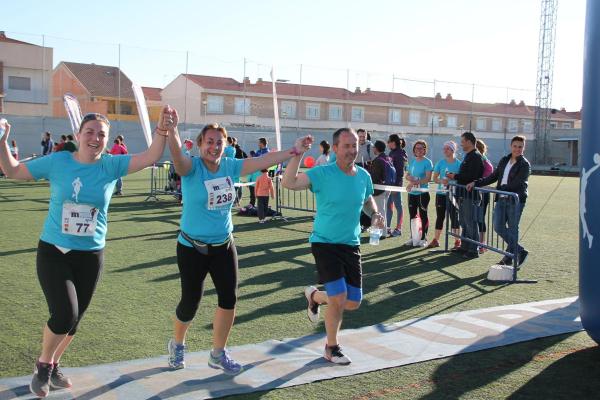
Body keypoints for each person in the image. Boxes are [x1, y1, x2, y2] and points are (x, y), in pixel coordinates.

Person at [0, 107, 173, 398]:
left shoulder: (110, 166)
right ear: (79, 134)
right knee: (64, 313)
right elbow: (14, 171)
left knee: (75, 320)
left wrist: (163, 130)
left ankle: (53, 365)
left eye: (101, 134)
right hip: (54, 251)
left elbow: (151, 156)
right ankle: (43, 365)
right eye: (89, 132)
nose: (95, 138)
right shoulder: (58, 161)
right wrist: (2, 142)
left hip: (91, 254)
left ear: (106, 140)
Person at [165, 122, 312, 374]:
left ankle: (217, 353)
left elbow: (264, 160)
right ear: (200, 144)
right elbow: (178, 159)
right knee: (190, 302)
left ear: (226, 145)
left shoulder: (230, 166)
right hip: (192, 247)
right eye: (209, 142)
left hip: (223, 245)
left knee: (229, 299)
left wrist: (294, 151)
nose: (214, 146)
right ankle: (177, 344)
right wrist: (172, 132)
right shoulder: (192, 167)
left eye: (218, 142)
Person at [282, 128, 384, 365]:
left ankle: (315, 297)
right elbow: (289, 182)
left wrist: (376, 213)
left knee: (352, 302)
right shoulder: (322, 173)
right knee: (338, 298)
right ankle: (332, 347)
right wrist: (297, 154)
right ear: (335, 148)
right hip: (324, 242)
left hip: (351, 243)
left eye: (354, 146)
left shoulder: (363, 176)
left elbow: (367, 200)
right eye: (346, 146)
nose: (351, 150)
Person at [467, 135, 531, 266]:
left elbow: (518, 183)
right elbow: (493, 176)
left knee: (513, 229)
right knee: (498, 226)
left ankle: (508, 257)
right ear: (511, 146)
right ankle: (520, 251)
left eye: (520, 147)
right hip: (501, 199)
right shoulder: (504, 160)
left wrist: (500, 188)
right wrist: (477, 182)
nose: (517, 149)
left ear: (524, 148)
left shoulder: (525, 164)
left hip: (515, 200)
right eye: (515, 146)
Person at [447, 131, 484, 259]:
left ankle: (473, 250)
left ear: (469, 142)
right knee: (463, 221)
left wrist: (455, 176)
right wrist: (456, 176)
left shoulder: (476, 157)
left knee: (470, 222)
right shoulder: (469, 156)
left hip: (471, 196)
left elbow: (472, 177)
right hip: (464, 194)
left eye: (462, 141)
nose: (461, 144)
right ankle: (465, 246)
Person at [429, 141, 462, 249]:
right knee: (440, 217)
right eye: (444, 148)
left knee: (454, 217)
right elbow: (434, 179)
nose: (445, 150)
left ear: (453, 150)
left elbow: (461, 180)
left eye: (447, 148)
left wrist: (452, 180)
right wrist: (441, 181)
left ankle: (457, 241)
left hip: (454, 194)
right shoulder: (440, 162)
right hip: (441, 194)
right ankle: (436, 240)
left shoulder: (459, 164)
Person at [405, 140, 434, 247]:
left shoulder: (428, 162)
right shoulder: (412, 161)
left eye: (421, 148)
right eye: (417, 148)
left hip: (423, 193)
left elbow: (427, 178)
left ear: (425, 150)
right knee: (412, 216)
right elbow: (407, 175)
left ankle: (423, 239)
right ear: (414, 150)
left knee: (423, 215)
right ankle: (413, 238)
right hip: (412, 193)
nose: (419, 150)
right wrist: (410, 178)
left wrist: (413, 182)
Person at [369, 140, 395, 237]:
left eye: (374, 147)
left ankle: (379, 233)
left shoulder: (377, 160)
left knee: (378, 211)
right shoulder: (388, 158)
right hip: (387, 187)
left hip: (379, 189)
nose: (373, 148)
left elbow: (374, 177)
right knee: (382, 210)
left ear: (376, 148)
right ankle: (382, 232)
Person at [386, 134, 407, 237]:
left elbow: (400, 172)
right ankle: (387, 228)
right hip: (389, 184)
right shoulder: (392, 152)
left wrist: (396, 186)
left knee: (398, 206)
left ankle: (398, 229)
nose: (387, 143)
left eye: (388, 141)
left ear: (393, 142)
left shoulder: (399, 153)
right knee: (388, 206)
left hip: (396, 185)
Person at [476, 139, 494, 253]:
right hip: (479, 192)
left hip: (482, 193)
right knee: (476, 218)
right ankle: (479, 243)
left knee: (480, 218)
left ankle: (482, 244)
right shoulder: (482, 160)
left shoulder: (483, 161)